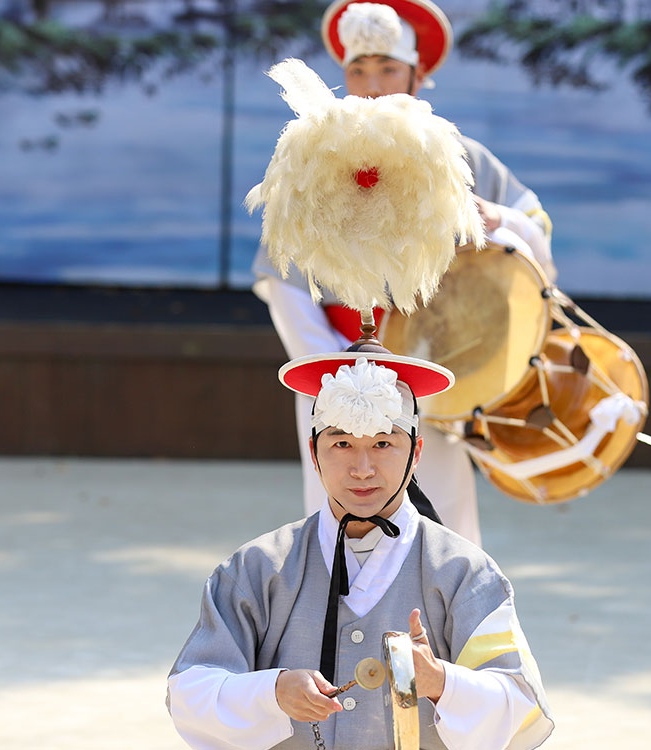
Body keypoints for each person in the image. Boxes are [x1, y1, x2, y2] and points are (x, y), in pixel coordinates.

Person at [251, 0, 556, 547]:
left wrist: (500, 218)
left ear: (419, 74)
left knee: (439, 527)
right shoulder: (313, 151)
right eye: (357, 71)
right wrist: (329, 370)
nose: (372, 84)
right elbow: (283, 277)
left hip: (433, 370)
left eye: (388, 69)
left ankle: (445, 628)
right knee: (343, 527)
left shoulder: (457, 152)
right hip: (335, 364)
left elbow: (531, 224)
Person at [166, 343, 553, 750]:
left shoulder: (464, 572)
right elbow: (189, 692)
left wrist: (441, 682)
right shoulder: (258, 568)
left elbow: (523, 708)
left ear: (416, 453)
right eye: (341, 444)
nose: (362, 469)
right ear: (314, 453)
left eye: (383, 444)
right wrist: (272, 692)